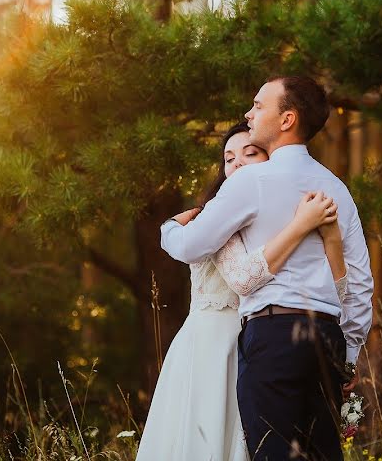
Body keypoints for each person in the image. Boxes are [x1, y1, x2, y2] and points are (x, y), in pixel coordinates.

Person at [162, 75, 375, 460]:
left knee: (273, 452)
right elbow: (359, 284)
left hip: (273, 334)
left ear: (287, 119)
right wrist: (348, 356)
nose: (250, 112)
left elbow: (192, 246)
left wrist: (170, 230)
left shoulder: (250, 183)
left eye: (259, 105)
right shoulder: (337, 189)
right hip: (327, 338)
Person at [136, 121, 348, 461]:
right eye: (228, 157)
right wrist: (170, 228)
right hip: (212, 347)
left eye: (250, 153)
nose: (236, 164)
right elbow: (241, 277)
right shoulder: (220, 214)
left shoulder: (288, 209)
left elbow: (335, 281)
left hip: (260, 341)